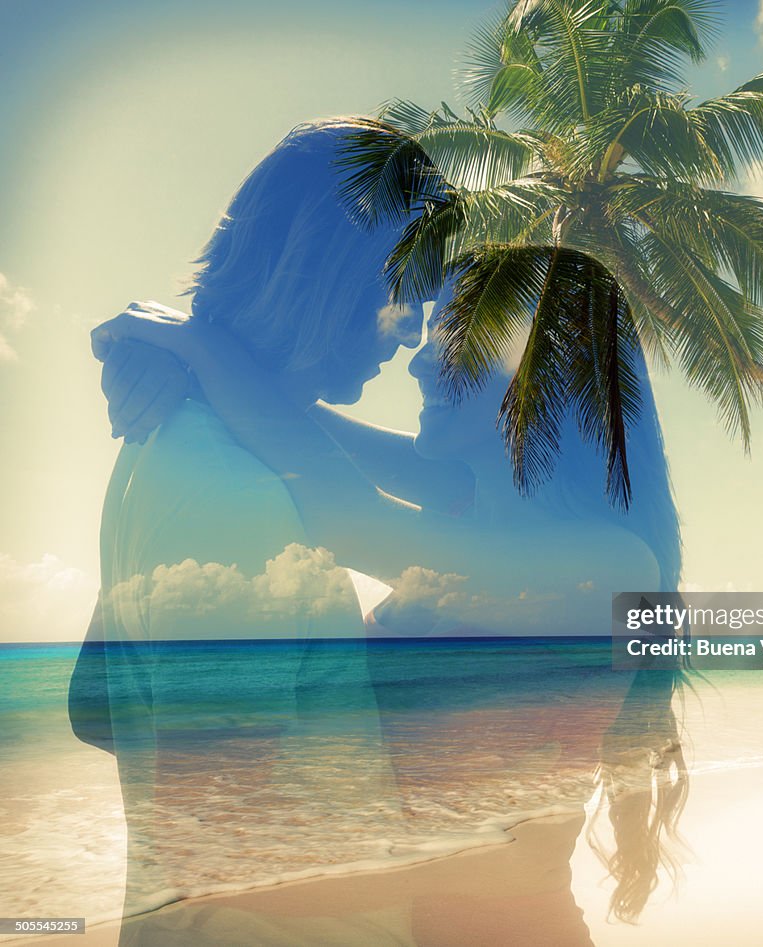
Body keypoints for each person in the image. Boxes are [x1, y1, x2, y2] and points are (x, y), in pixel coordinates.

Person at [93, 290, 689, 940]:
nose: (419, 363)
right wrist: (176, 367)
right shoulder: (471, 503)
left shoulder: (616, 567)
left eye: (455, 342)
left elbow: (348, 518)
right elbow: (292, 420)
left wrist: (200, 348)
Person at [70, 118, 426, 946]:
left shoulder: (168, 445)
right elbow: (214, 845)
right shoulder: (235, 492)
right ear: (329, 275)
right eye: (403, 292)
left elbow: (95, 706)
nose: (412, 332)